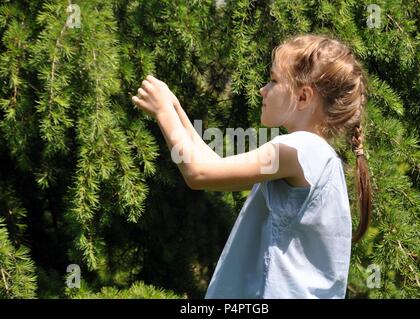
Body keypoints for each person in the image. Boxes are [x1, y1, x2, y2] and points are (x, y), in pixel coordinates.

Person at [131, 33, 373, 299]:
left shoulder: (298, 149)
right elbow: (213, 165)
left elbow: (198, 173)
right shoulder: (314, 154)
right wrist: (176, 108)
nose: (263, 90)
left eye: (273, 80)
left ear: (303, 97)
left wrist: (163, 112)